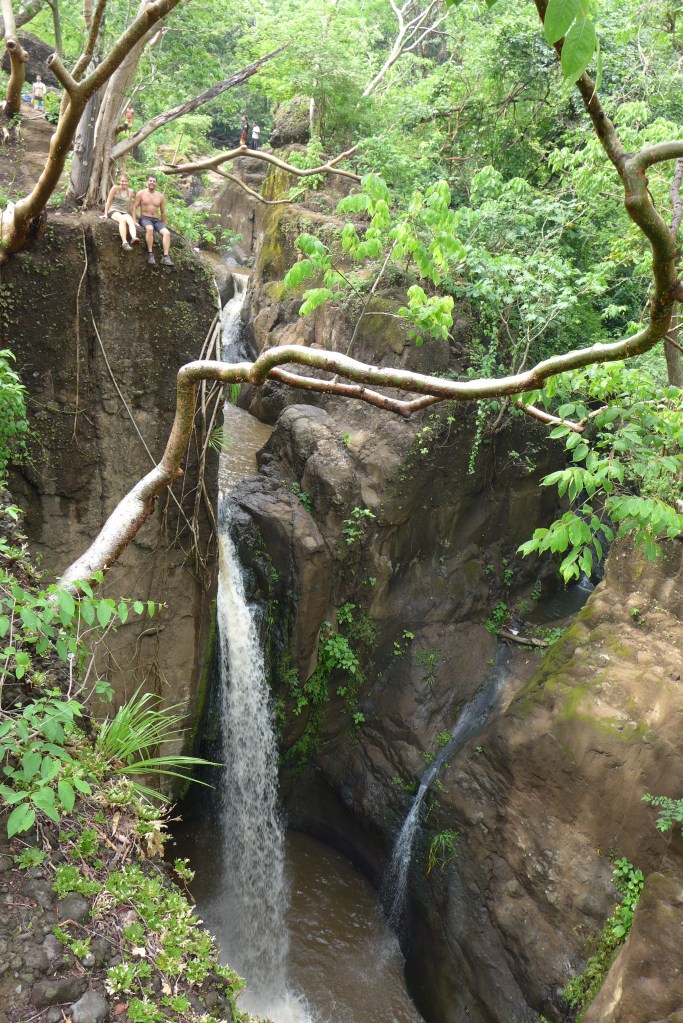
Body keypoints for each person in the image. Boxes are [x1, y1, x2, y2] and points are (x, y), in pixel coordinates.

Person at [133, 175, 173, 266]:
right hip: (145, 218)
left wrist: (163, 224)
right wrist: (134, 220)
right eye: (150, 181)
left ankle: (165, 257)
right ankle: (150, 254)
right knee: (150, 229)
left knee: (167, 233)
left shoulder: (160, 196)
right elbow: (134, 207)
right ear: (147, 182)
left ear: (156, 183)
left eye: (154, 181)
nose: (152, 182)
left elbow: (163, 212)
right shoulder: (141, 193)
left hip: (156, 220)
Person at [103, 173, 140, 251]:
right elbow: (109, 201)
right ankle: (124, 242)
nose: (124, 183)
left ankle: (133, 238)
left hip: (124, 211)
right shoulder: (115, 188)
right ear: (119, 182)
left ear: (128, 182)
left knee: (130, 221)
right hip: (114, 210)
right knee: (122, 220)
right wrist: (105, 214)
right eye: (122, 181)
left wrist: (134, 219)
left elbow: (130, 205)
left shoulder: (130, 191)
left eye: (125, 181)